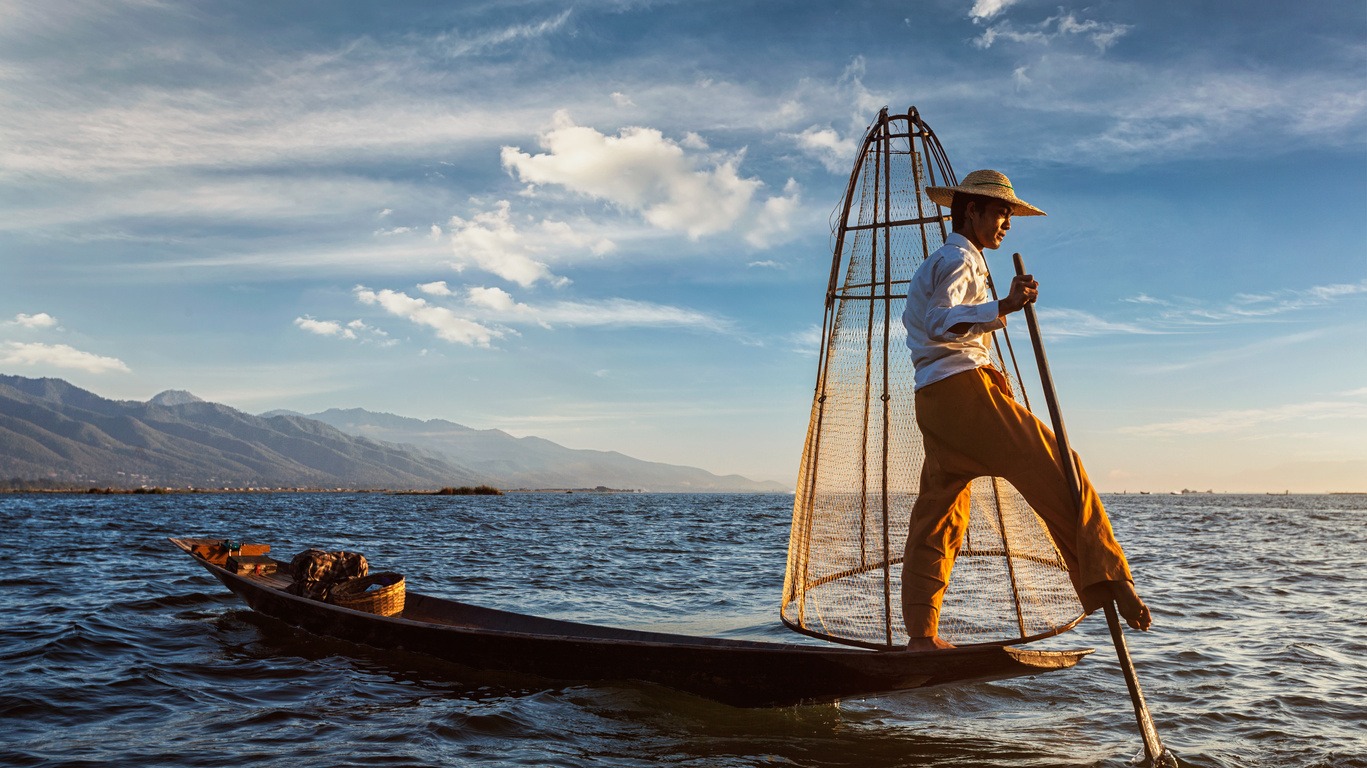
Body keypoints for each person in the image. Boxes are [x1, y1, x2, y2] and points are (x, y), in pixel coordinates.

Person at [900, 169, 1151, 652]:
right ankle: (1111, 578)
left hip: (934, 401)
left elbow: (940, 327)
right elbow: (936, 321)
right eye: (999, 212)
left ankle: (921, 635)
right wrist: (1007, 304)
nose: (1007, 223)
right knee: (1063, 468)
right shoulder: (958, 258)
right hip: (961, 394)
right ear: (970, 210)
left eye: (1010, 215)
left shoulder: (949, 259)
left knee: (940, 514)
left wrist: (994, 329)